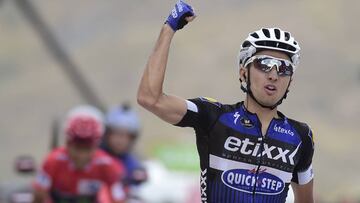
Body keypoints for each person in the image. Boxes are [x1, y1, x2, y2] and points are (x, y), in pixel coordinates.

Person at [137, 1, 315, 203]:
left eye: (283, 68)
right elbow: (150, 98)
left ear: (290, 81)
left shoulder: (301, 137)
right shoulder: (214, 116)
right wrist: (168, 28)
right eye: (264, 64)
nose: (274, 75)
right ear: (243, 73)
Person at [32, 105, 127, 203]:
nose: (82, 155)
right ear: (67, 144)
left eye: (87, 149)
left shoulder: (107, 165)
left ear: (96, 146)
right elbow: (39, 194)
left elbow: (119, 198)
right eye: (77, 148)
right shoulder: (53, 160)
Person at [100, 104, 147, 192]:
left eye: (126, 136)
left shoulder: (130, 161)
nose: (120, 140)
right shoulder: (95, 155)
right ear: (107, 134)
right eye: (117, 134)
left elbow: (138, 172)